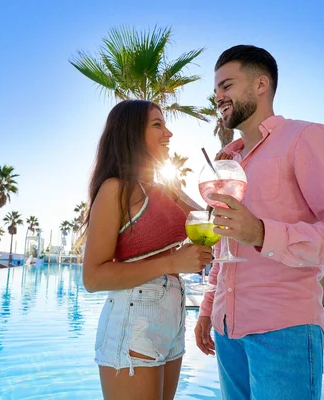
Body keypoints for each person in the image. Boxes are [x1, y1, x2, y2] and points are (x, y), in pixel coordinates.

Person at [194, 45, 324, 399]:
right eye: (216, 89)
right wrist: (206, 311)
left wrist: (262, 232)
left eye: (227, 86)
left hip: (284, 331)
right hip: (227, 331)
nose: (218, 97)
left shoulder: (306, 138)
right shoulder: (226, 163)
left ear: (261, 85)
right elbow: (225, 246)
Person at [82, 99, 212, 400]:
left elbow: (209, 222)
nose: (168, 133)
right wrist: (172, 262)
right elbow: (93, 277)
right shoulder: (116, 188)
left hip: (172, 318)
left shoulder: (166, 189)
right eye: (158, 124)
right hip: (134, 318)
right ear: (132, 133)